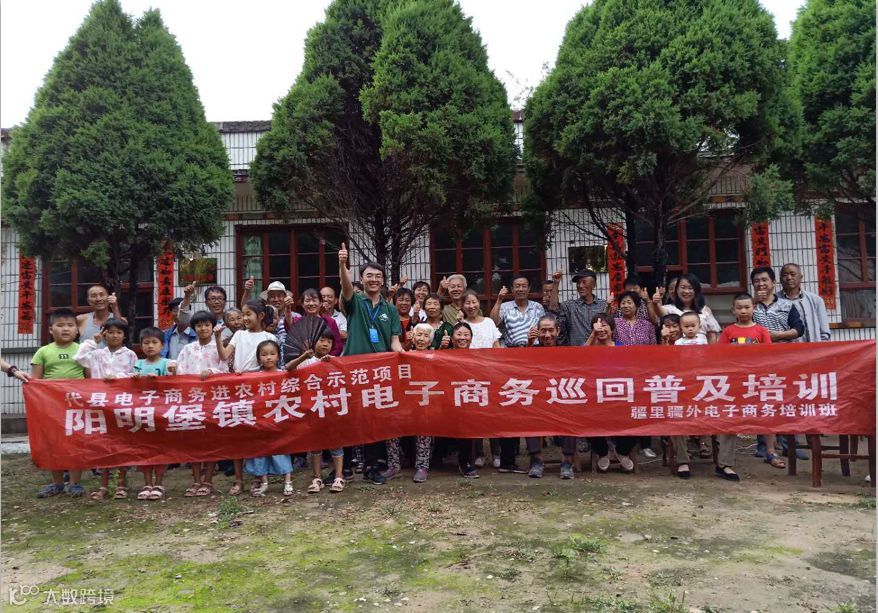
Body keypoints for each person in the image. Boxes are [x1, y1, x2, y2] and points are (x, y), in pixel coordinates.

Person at [338, 243, 404, 485]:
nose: (374, 279)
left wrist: (408, 357)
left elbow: (395, 342)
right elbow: (346, 289)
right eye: (369, 275)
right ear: (361, 279)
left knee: (375, 420)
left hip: (379, 373)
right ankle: (344, 467)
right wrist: (342, 265)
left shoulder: (390, 310)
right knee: (349, 418)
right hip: (353, 370)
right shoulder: (355, 302)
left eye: (378, 276)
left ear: (383, 280)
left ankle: (371, 467)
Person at [215, 299, 277, 495]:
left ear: (260, 316)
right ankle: (238, 479)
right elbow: (224, 355)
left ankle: (258, 476)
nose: (244, 318)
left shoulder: (269, 337)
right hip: (239, 387)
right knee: (238, 433)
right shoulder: (239, 335)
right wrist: (218, 337)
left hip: (259, 388)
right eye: (243, 315)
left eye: (248, 314)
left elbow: (272, 364)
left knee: (257, 433)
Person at [74, 318, 138, 501]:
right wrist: (93, 341)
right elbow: (79, 358)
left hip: (121, 404)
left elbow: (134, 376)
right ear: (104, 334)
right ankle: (103, 485)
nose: (114, 336)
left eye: (118, 332)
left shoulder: (130, 355)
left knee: (122, 444)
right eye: (110, 332)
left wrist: (117, 377)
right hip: (100, 403)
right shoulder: (96, 354)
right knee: (103, 444)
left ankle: (121, 483)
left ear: (124, 335)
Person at [750, 266, 806, 460]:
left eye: (764, 280)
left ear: (773, 282)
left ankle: (790, 445)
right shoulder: (750, 305)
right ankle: (763, 446)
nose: (761, 284)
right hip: (758, 361)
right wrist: (752, 303)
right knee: (762, 402)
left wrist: (778, 336)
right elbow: (740, 325)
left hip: (784, 360)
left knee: (787, 400)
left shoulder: (787, 305)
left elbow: (799, 329)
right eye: (757, 281)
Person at [34, 310, 89, 498]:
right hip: (51, 408)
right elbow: (35, 383)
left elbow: (91, 380)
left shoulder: (83, 351)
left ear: (77, 330)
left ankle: (75, 483)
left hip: (76, 406)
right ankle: (57, 483)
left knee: (76, 443)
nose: (65, 329)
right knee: (53, 444)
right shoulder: (43, 352)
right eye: (60, 325)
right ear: (51, 330)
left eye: (70, 325)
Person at [175, 310, 229, 497]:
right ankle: (196, 480)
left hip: (212, 401)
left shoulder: (218, 347)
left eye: (207, 325)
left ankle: (208, 480)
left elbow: (225, 370)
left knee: (211, 440)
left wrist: (212, 372)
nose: (203, 328)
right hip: (192, 401)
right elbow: (180, 372)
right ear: (194, 328)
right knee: (194, 441)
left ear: (213, 327)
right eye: (199, 325)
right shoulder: (187, 349)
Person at [523, 314, 577, 479]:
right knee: (529, 416)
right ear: (537, 332)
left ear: (558, 331)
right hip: (538, 400)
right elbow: (520, 368)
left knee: (572, 416)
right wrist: (529, 343)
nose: (547, 335)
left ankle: (567, 462)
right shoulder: (530, 350)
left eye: (551, 330)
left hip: (561, 399)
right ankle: (537, 461)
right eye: (543, 331)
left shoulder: (567, 352)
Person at [584, 314, 637, 472]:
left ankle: (622, 452)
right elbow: (579, 358)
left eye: (604, 325)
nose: (601, 329)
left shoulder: (622, 347)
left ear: (612, 328)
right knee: (586, 421)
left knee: (639, 417)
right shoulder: (590, 347)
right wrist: (592, 336)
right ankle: (603, 453)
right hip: (595, 398)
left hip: (620, 397)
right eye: (597, 326)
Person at [242, 340, 294, 497]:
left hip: (279, 419)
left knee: (282, 450)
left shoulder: (283, 374)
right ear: (258, 358)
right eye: (264, 355)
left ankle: (288, 481)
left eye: (272, 354)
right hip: (261, 420)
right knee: (261, 451)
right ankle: (264, 481)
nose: (268, 357)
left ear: (278, 356)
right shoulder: (254, 376)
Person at [449, 322, 481, 478]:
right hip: (448, 400)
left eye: (466, 335)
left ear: (471, 338)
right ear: (452, 338)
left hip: (469, 399)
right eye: (459, 334)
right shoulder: (444, 355)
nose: (462, 338)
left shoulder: (477, 357)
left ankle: (466, 462)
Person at [656, 273, 720, 344]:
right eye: (683, 287)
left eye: (690, 288)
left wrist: (711, 350)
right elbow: (658, 316)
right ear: (677, 289)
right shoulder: (669, 309)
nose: (686, 291)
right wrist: (655, 302)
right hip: (678, 348)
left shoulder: (705, 309)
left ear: (696, 290)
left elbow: (712, 336)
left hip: (702, 348)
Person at [779, 263, 831, 343]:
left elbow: (825, 333)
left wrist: (820, 348)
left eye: (793, 274)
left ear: (800, 277)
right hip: (784, 349)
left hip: (813, 349)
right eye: (785, 275)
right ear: (780, 279)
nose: (789, 278)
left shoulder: (816, 300)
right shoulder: (774, 300)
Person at [491, 275, 546, 348]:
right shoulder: (504, 307)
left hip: (535, 348)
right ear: (512, 289)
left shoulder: (537, 307)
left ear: (529, 288)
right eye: (517, 286)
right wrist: (499, 299)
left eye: (524, 286)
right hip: (512, 349)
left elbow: (544, 328)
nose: (520, 289)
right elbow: (493, 322)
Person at [558, 269, 608, 346]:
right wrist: (556, 283)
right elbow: (553, 309)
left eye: (584, 282)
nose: (580, 286)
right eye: (578, 283)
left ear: (594, 285)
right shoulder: (569, 306)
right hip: (577, 351)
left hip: (599, 350)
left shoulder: (604, 305)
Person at [299, 288, 343, 356]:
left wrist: (327, 357)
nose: (311, 304)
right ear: (302, 304)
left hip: (327, 359)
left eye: (314, 300)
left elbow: (338, 345)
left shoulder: (330, 321)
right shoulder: (298, 321)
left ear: (320, 303)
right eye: (307, 301)